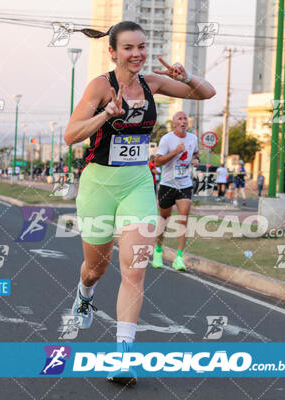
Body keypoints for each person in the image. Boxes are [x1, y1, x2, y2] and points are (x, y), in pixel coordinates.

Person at [63, 20, 215, 385]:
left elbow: (205, 93)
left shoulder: (154, 83)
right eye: (129, 48)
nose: (137, 54)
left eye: (142, 47)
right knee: (95, 268)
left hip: (137, 184)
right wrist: (105, 114)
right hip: (99, 183)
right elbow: (70, 135)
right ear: (113, 52)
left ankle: (123, 357)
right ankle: (85, 294)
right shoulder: (100, 86)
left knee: (134, 269)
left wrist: (188, 75)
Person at [151, 111, 199, 272]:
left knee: (184, 219)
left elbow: (196, 153)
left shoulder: (193, 138)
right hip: (167, 185)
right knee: (164, 220)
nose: (183, 121)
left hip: (184, 184)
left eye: (185, 118)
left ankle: (179, 258)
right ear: (174, 123)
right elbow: (157, 161)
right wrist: (175, 152)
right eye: (180, 118)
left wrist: (196, 159)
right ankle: (158, 250)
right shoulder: (167, 139)